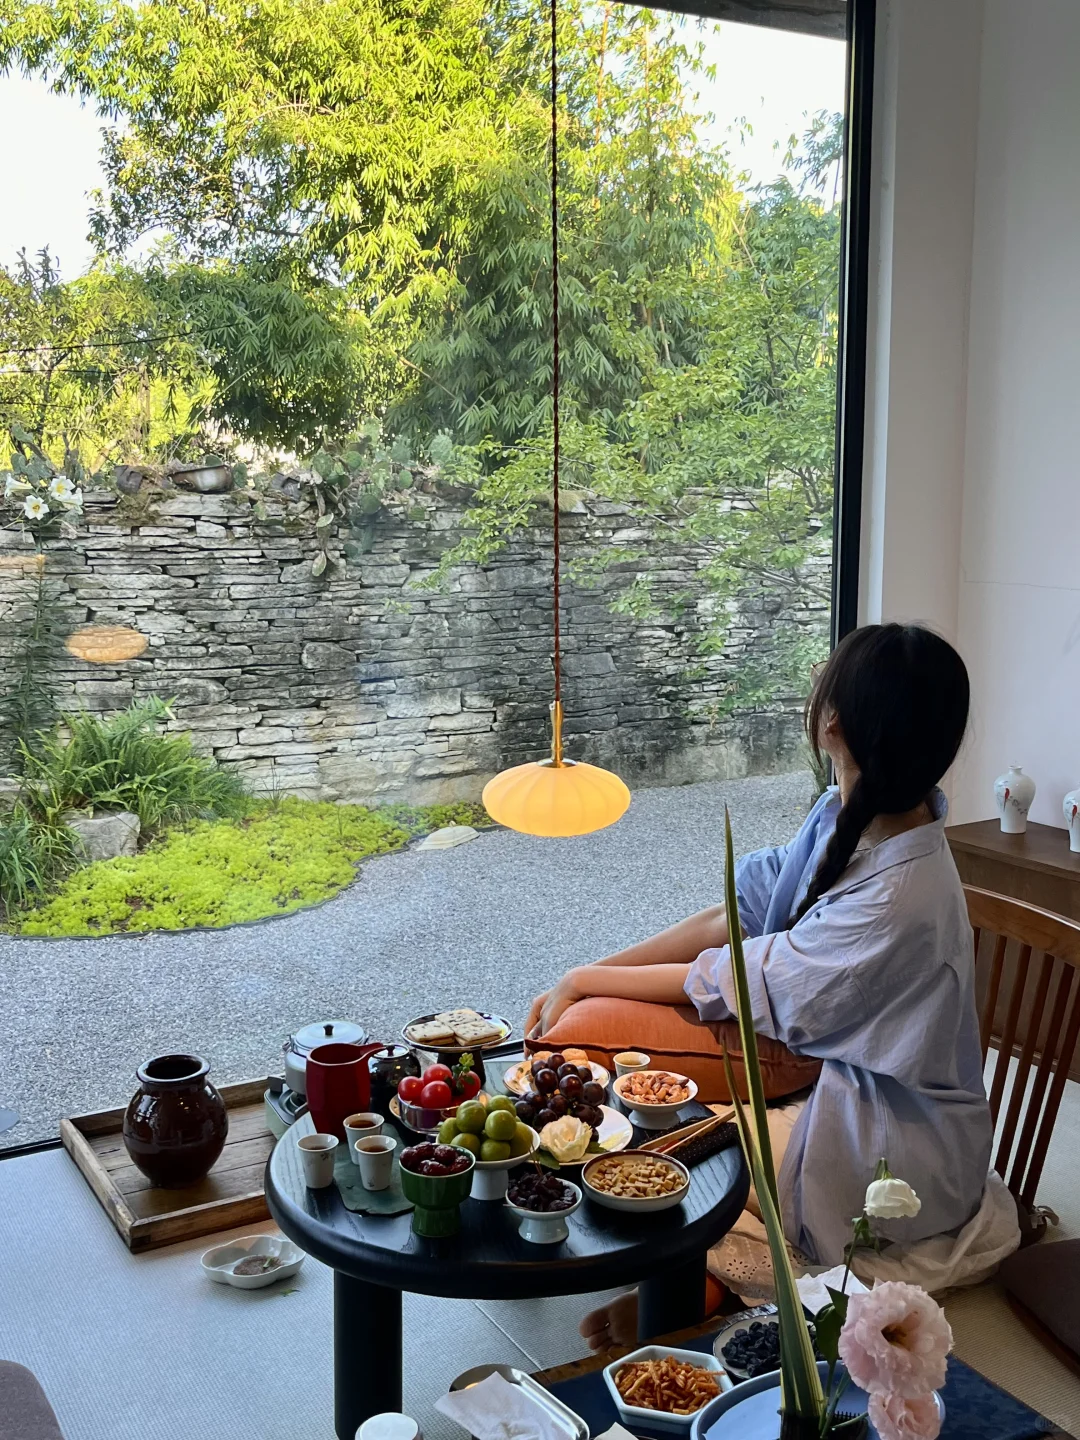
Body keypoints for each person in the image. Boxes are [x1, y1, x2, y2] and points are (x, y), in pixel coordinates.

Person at [526, 623, 1017, 1351]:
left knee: (694, 1160)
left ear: (832, 725)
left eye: (825, 674)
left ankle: (706, 1289)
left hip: (893, 1135)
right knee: (649, 1108)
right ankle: (693, 1280)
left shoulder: (898, 895)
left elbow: (739, 979)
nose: (815, 675)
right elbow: (735, 913)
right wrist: (588, 970)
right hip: (838, 1078)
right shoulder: (852, 815)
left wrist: (587, 981)